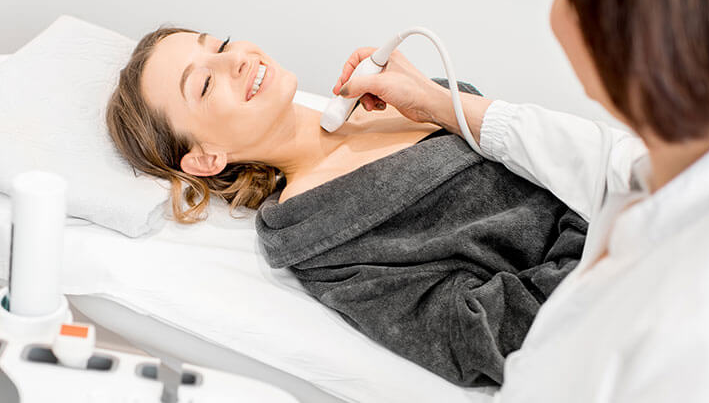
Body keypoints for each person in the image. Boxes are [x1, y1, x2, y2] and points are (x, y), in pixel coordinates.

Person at [330, 0, 709, 400]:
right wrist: (439, 102)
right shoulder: (705, 150)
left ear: (635, 30)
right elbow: (605, 160)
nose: (554, 10)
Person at [104, 27, 589, 386]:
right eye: (204, 85)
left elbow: (565, 157)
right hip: (619, 291)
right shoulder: (318, 234)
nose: (235, 61)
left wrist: (439, 100)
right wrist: (604, 236)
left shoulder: (411, 98)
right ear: (207, 158)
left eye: (223, 45)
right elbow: (478, 338)